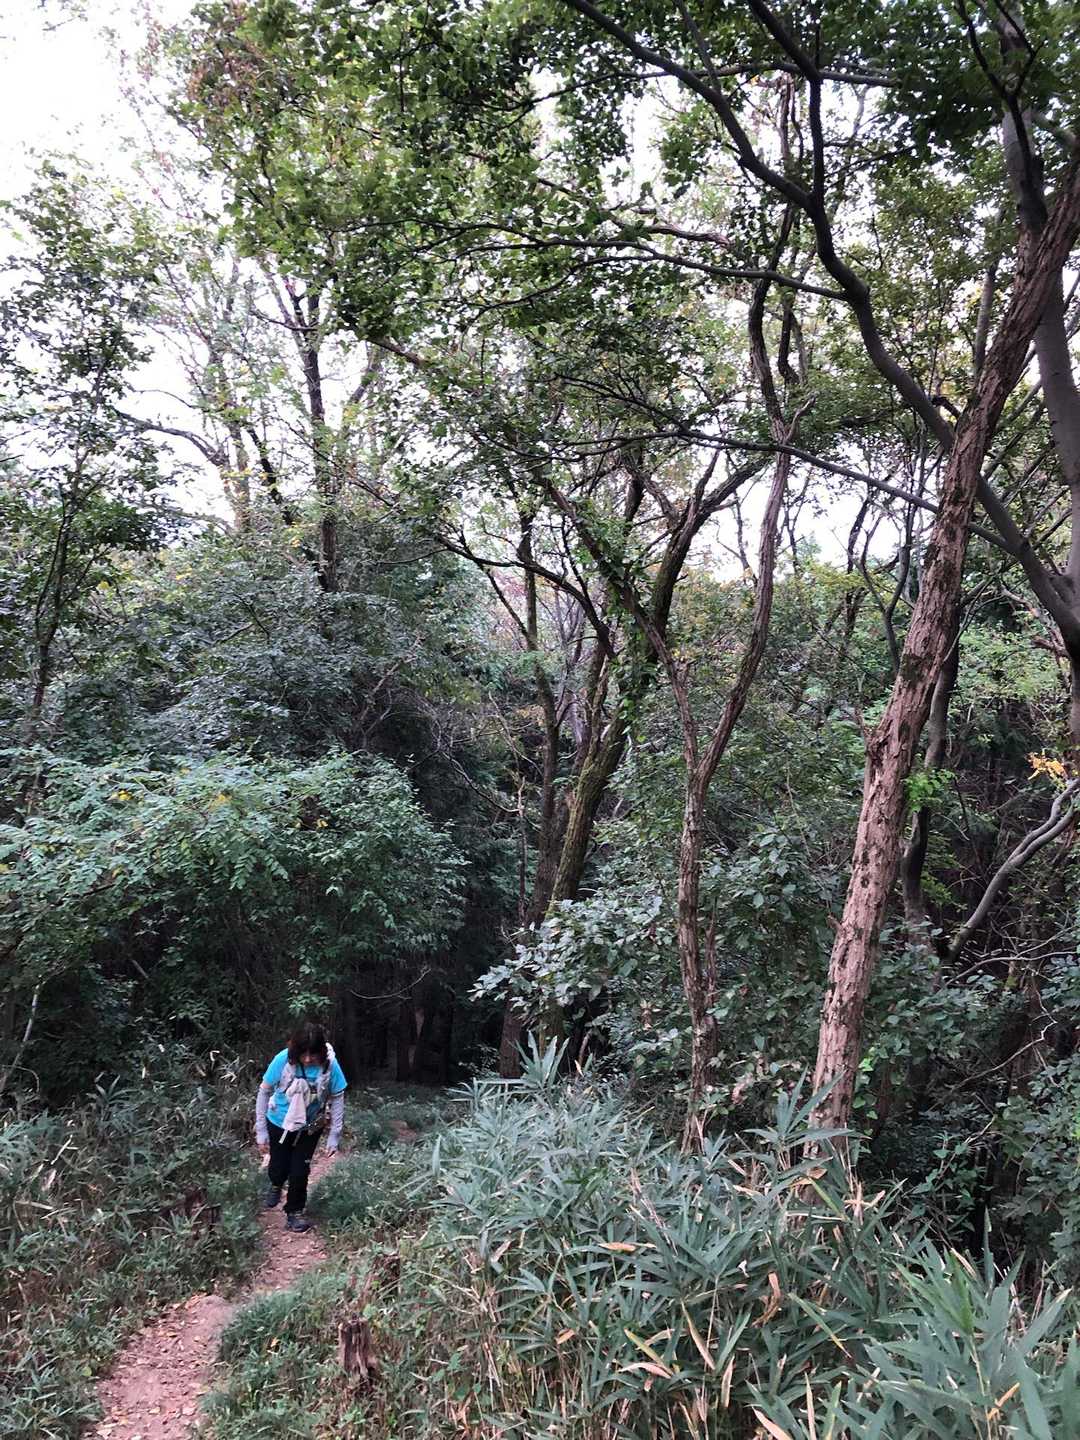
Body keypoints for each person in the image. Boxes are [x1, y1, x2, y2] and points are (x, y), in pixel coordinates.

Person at [254, 1022, 347, 1232]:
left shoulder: (330, 1066)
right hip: (279, 1122)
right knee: (278, 1166)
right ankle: (276, 1184)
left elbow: (337, 1098)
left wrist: (334, 1135)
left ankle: (294, 1212)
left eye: (312, 1054)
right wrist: (261, 1130)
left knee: (300, 1170)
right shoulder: (282, 1060)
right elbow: (264, 1092)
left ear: (320, 1051)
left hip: (309, 1127)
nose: (307, 1059)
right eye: (303, 1054)